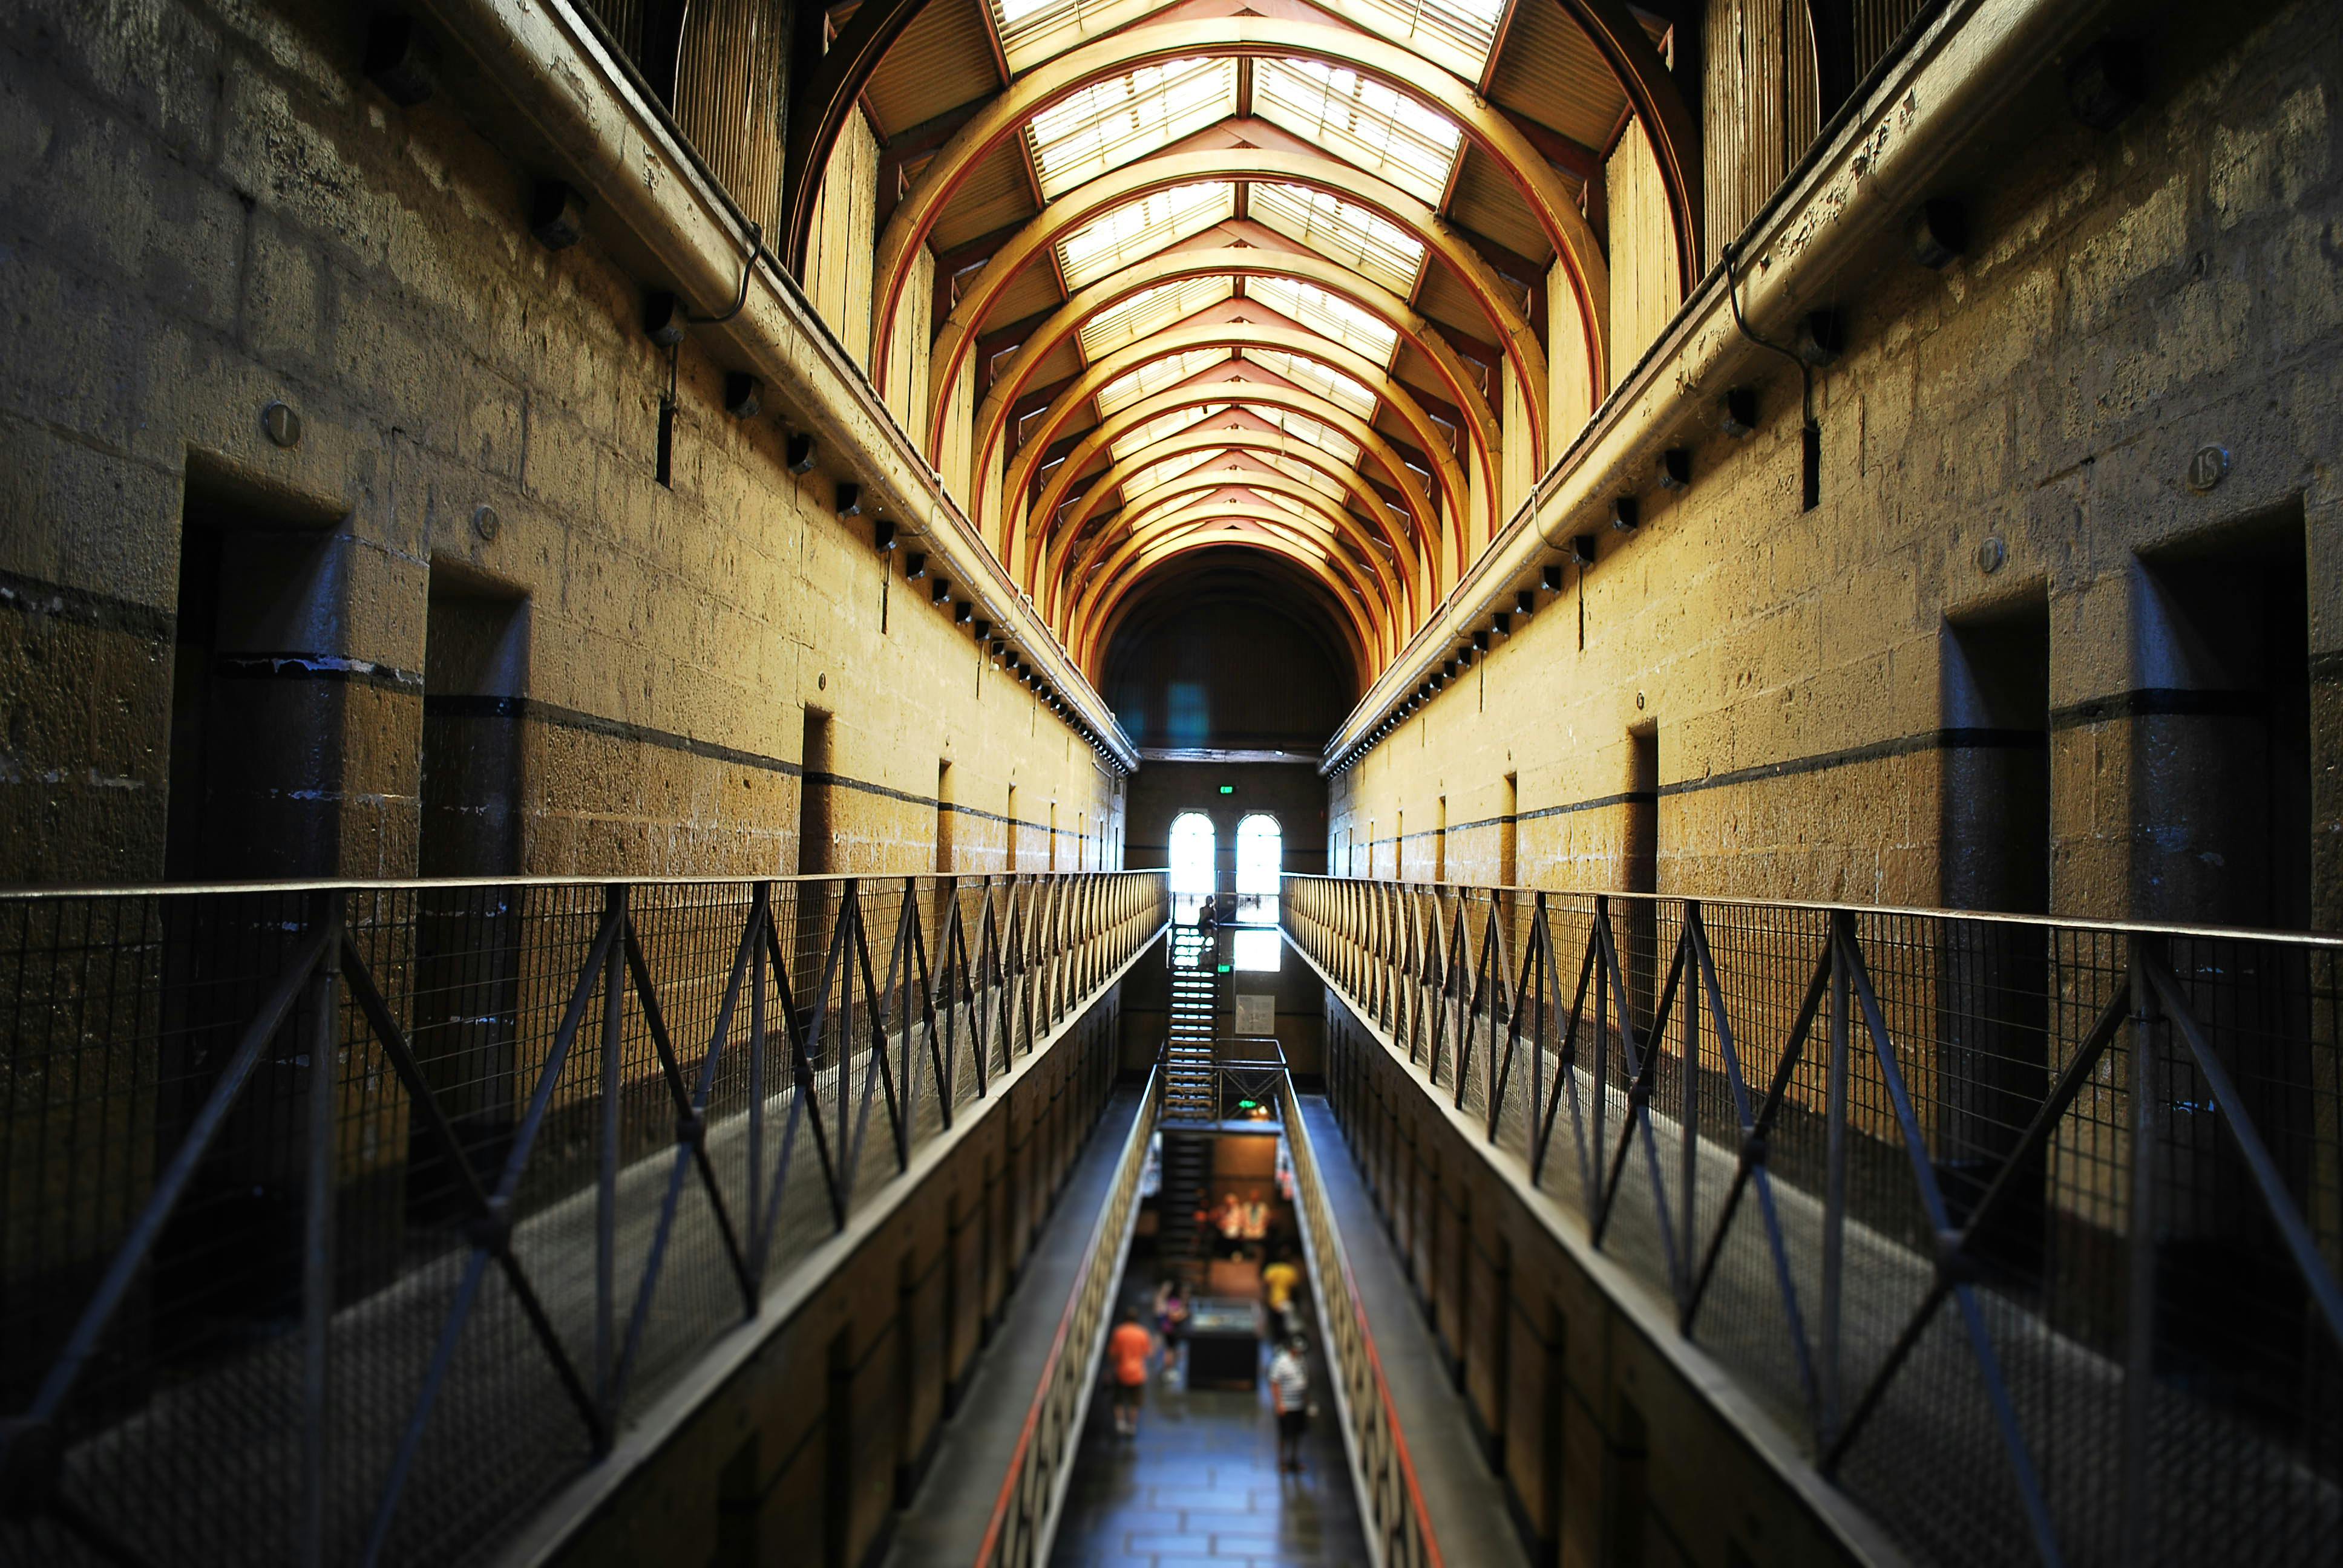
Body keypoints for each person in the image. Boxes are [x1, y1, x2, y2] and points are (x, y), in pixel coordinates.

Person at [1107, 1308, 1156, 1437]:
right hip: (1138, 1374)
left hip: (1121, 1372)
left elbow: (1113, 1354)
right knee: (1135, 1402)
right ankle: (1132, 1426)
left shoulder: (1119, 1332)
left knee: (1118, 1399)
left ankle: (1120, 1423)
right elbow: (1149, 1353)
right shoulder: (1142, 1333)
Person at [1268, 1334, 1311, 1474]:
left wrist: (1307, 1402)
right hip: (1286, 1405)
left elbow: (1305, 1382)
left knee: (1297, 1434)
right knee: (1284, 1436)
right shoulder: (1281, 1362)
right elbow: (1275, 1383)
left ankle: (1294, 1460)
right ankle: (1282, 1462)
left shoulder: (1302, 1361)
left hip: (1299, 1405)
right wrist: (1279, 1404)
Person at [1152, 1279, 1190, 1386]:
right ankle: (1167, 1371)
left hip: (1171, 1330)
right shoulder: (1172, 1302)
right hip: (1169, 1330)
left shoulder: (1175, 1302)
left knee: (1172, 1351)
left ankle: (1169, 1370)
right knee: (1170, 1351)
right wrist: (1183, 1315)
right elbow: (1173, 1316)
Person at [1260, 1250, 1301, 1341]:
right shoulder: (1291, 1271)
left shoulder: (1272, 1269)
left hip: (1272, 1303)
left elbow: (1266, 1286)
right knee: (1290, 1328)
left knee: (1274, 1327)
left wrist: (1265, 1300)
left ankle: (1278, 1341)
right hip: (1286, 1302)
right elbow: (1295, 1288)